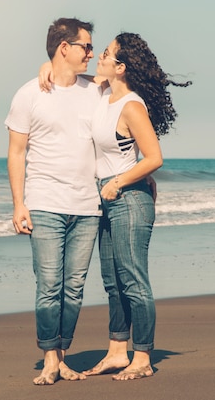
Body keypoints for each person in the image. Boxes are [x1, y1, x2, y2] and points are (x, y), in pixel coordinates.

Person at [39, 32, 191, 380]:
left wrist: (119, 182)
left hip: (129, 200)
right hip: (106, 200)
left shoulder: (131, 106)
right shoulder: (104, 92)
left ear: (120, 67)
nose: (98, 58)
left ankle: (143, 357)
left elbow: (154, 158)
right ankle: (117, 351)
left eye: (105, 54)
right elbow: (67, 73)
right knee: (112, 281)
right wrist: (45, 66)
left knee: (133, 279)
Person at [5, 17, 104, 385]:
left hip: (86, 207)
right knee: (49, 285)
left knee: (74, 287)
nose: (92, 53)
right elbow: (16, 153)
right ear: (65, 47)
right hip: (45, 203)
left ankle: (61, 356)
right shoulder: (29, 93)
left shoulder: (95, 89)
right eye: (86, 46)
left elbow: (125, 83)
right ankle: (50, 357)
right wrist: (19, 204)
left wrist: (50, 65)